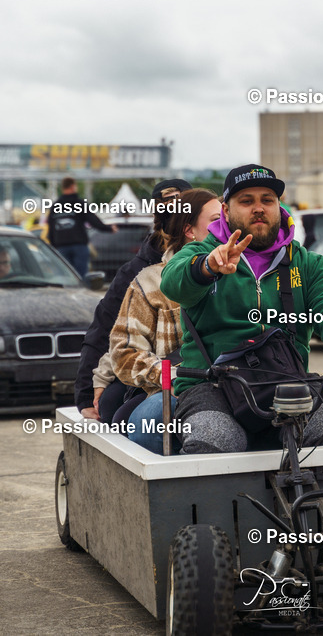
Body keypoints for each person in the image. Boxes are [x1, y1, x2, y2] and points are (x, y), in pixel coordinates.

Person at [160, 164, 323, 454]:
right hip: (211, 386)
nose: (259, 208)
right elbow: (173, 282)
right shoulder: (198, 253)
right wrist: (207, 267)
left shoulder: (307, 263)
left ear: (279, 207)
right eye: (246, 201)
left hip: (286, 382)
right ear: (226, 211)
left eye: (267, 200)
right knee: (214, 441)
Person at [88, 190, 220, 451]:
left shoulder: (251, 273)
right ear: (189, 231)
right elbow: (121, 348)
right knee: (144, 420)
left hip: (238, 384)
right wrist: (173, 378)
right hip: (173, 387)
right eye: (217, 220)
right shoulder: (149, 281)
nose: (226, 227)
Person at [75, 179, 192, 420]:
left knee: (130, 415)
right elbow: (107, 329)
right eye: (167, 210)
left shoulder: (216, 261)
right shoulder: (136, 272)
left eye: (181, 210)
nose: (175, 219)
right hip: (148, 367)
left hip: (185, 370)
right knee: (110, 406)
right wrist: (87, 392)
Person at [47, 176, 115, 277]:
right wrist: (109, 228)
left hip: (61, 246)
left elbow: (51, 228)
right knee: (80, 277)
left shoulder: (55, 206)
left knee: (65, 276)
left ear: (63, 188)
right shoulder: (79, 204)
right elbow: (93, 220)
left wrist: (54, 245)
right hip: (78, 245)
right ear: (73, 187)